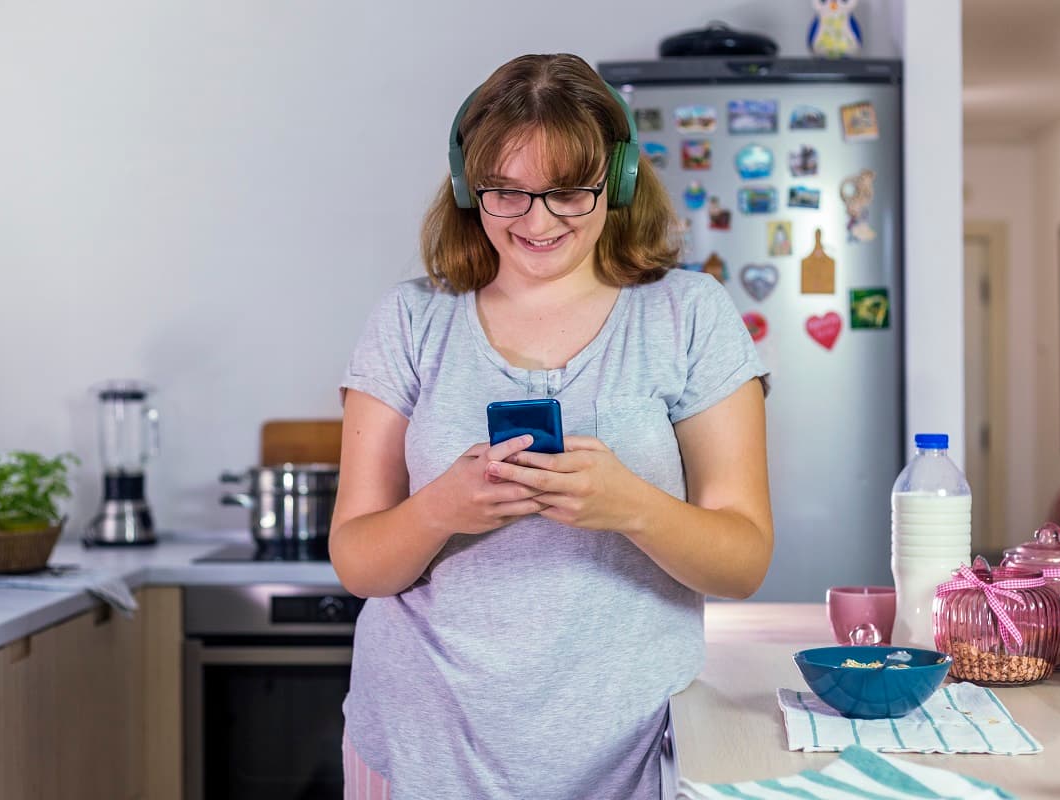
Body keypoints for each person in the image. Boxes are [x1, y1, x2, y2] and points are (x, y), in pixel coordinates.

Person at [331, 53, 773, 800]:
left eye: (567, 191)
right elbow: (358, 562)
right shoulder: (408, 321)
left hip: (632, 751)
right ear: (471, 187)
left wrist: (630, 505)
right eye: (506, 192)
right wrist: (443, 507)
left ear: (620, 182)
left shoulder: (688, 315)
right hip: (421, 744)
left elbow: (742, 562)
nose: (536, 222)